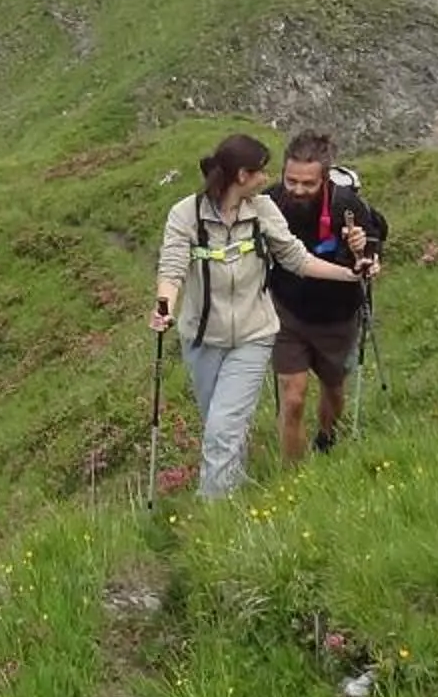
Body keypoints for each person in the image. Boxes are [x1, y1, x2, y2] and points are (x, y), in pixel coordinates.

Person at [151, 133, 377, 500]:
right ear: (242, 175)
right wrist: (164, 306)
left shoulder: (263, 210)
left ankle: (215, 509)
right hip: (202, 337)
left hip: (255, 336)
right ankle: (232, 488)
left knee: (225, 427)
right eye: (260, 171)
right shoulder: (186, 214)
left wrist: (351, 274)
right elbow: (173, 266)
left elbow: (296, 258)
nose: (265, 179)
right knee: (220, 426)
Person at [264, 131, 387, 458]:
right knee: (293, 397)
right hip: (286, 312)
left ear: (325, 178)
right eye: (291, 181)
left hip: (339, 316)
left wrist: (367, 257)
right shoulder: (270, 202)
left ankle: (326, 439)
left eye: (308, 184)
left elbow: (375, 241)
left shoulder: (346, 205)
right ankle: (293, 478)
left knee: (333, 389)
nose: (298, 190)